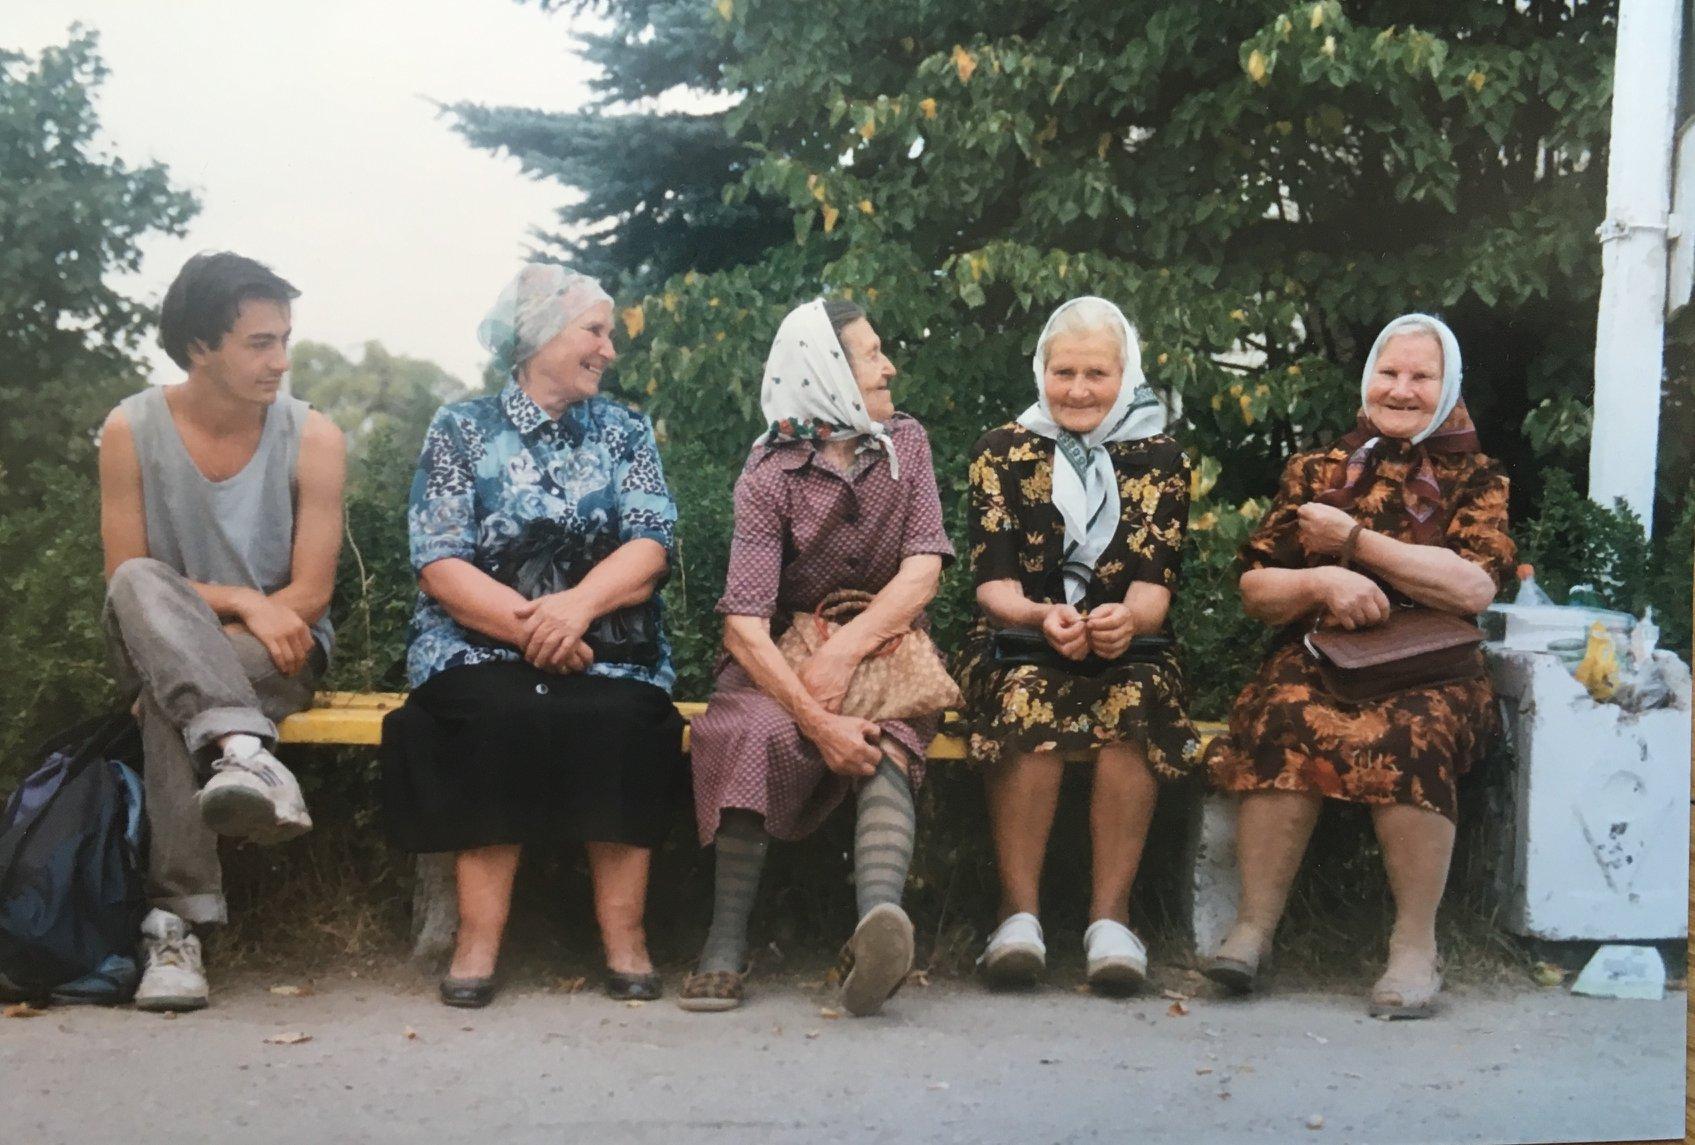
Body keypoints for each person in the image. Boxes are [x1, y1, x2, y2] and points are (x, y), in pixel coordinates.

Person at [381, 264, 684, 1009]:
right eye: (594, 331)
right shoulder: (459, 427)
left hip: (604, 638)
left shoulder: (624, 431)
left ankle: (627, 940)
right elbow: (440, 562)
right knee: (495, 713)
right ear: (540, 334)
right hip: (477, 644)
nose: (608, 350)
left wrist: (575, 611)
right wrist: (538, 633)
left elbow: (649, 545)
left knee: (626, 718)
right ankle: (476, 943)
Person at [1203, 313, 1514, 1019]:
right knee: (1283, 713)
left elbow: (1472, 587)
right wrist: (1318, 583)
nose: (1401, 389)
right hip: (1323, 654)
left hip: (1432, 667)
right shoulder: (1314, 471)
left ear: (1447, 387)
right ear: (1366, 379)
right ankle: (1253, 928)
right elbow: (1256, 588)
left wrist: (1352, 542)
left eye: (1420, 376)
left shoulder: (1477, 477)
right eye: (1388, 371)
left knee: (1410, 732)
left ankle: (1413, 945)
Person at [678, 298, 955, 1016]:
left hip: (885, 644)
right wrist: (813, 710)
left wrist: (846, 657)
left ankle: (876, 934)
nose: (888, 365)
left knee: (889, 736)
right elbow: (743, 620)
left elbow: (923, 568)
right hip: (781, 657)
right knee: (750, 731)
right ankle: (723, 943)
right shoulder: (769, 470)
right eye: (870, 354)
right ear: (825, 368)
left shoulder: (906, 443)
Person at [98, 252, 347, 1011]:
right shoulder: (128, 428)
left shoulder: (314, 436)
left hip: (281, 648)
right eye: (259, 342)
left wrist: (266, 611)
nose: (281, 360)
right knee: (140, 582)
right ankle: (245, 752)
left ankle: (175, 930)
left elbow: (307, 594)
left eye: (284, 339)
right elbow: (127, 577)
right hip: (169, 635)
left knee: (175, 709)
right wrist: (243, 595)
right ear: (200, 346)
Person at [955, 296, 1199, 993]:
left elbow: (1156, 587)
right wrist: (1040, 617)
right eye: (1064, 371)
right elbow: (992, 584)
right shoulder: (1000, 449)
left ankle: (1110, 921)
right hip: (1017, 641)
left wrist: (1127, 619)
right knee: (1030, 694)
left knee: (1135, 699)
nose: (1079, 389)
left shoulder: (1159, 456)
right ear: (1040, 369)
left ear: (1126, 373)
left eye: (1097, 372)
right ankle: (1017, 916)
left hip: (1130, 646)